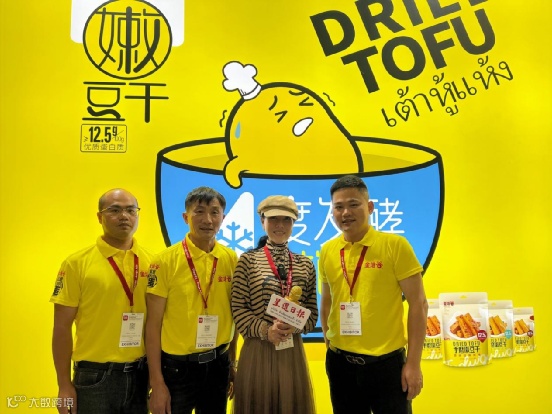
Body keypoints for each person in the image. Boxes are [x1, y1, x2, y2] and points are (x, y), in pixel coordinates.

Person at [319, 175, 428, 414]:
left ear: (369, 207)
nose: (345, 212)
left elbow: (418, 304)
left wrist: (413, 363)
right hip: (341, 364)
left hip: (386, 365)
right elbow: (327, 302)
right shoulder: (327, 250)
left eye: (353, 204)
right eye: (338, 207)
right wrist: (330, 348)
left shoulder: (394, 245)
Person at [51, 188, 153, 414]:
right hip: (94, 377)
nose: (124, 216)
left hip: (141, 375)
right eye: (114, 210)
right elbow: (61, 328)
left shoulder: (153, 263)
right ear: (99, 217)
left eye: (131, 210)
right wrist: (64, 385)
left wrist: (156, 376)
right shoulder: (76, 264)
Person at [146, 186, 238, 414]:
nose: (208, 220)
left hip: (218, 364)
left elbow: (234, 314)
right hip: (178, 368)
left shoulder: (230, 258)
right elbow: (152, 325)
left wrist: (232, 362)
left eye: (214, 212)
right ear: (185, 217)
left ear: (223, 217)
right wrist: (156, 382)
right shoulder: (164, 261)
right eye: (199, 212)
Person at [231, 195, 318, 414]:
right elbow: (238, 309)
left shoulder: (305, 264)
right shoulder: (247, 261)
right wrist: (266, 331)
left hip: (291, 352)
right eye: (273, 219)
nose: (280, 225)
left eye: (286, 219)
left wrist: (294, 326)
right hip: (258, 350)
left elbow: (312, 314)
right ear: (263, 221)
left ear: (294, 223)